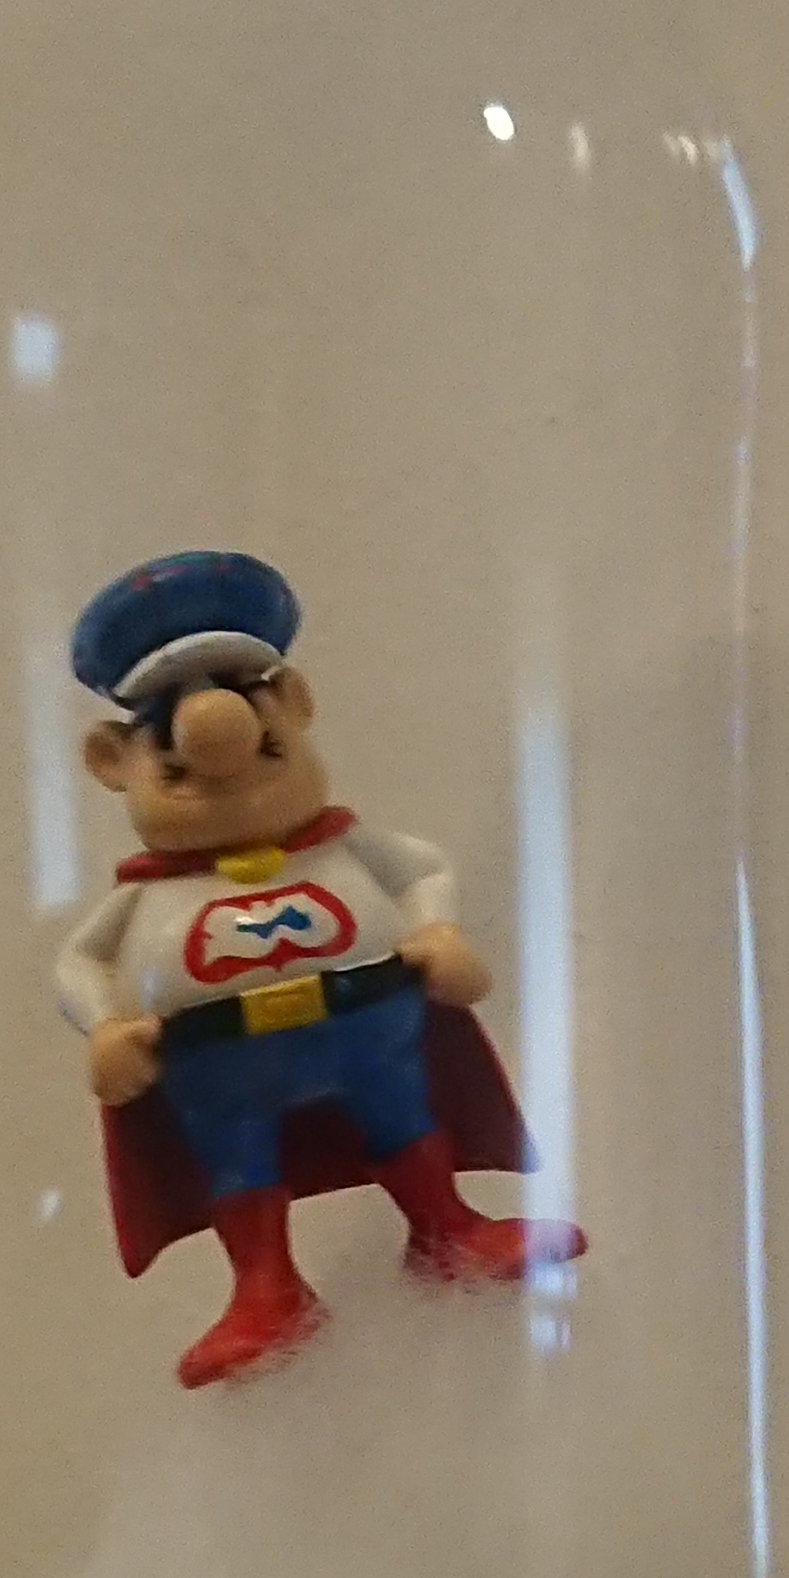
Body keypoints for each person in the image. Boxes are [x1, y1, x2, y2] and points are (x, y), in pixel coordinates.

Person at [53, 550, 577, 1385]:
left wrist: (437, 933)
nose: (229, 785)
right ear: (112, 763)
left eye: (269, 747)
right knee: (238, 1160)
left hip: (368, 1027)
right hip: (220, 1061)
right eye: (175, 773)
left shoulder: (344, 847)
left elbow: (421, 871)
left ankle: (444, 1228)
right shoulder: (145, 897)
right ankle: (266, 1289)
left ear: (296, 709)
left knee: (401, 1116)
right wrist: (108, 1026)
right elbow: (82, 959)